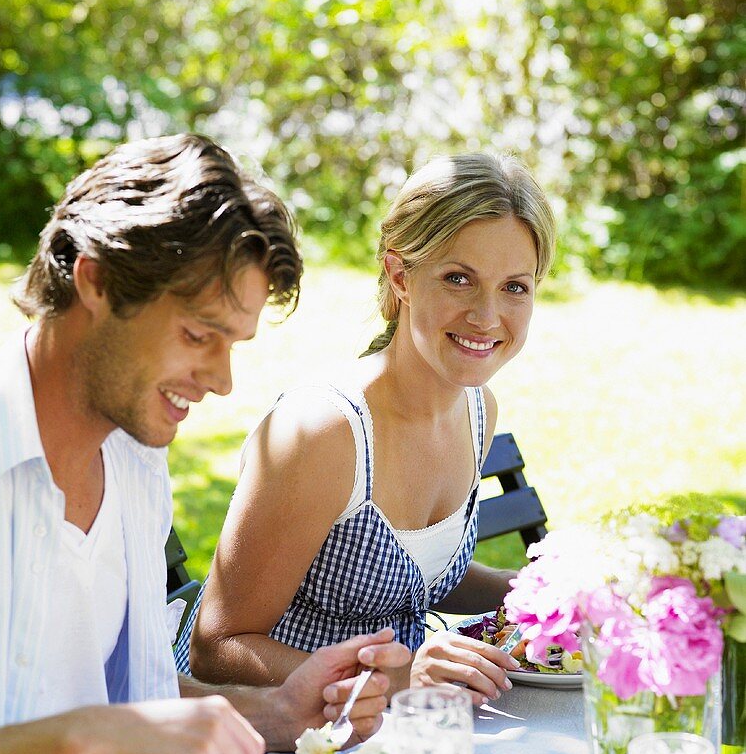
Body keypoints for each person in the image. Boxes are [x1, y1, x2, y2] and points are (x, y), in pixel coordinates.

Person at [0, 134, 408, 754]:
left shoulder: (136, 464)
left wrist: (280, 711)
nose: (221, 380)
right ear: (97, 280)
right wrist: (87, 740)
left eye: (232, 344)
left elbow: (131, 702)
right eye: (199, 334)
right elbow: (100, 727)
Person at [179, 151, 556, 703]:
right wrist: (390, 679)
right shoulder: (321, 433)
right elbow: (217, 649)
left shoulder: (477, 410)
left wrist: (533, 593)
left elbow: (411, 579)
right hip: (278, 748)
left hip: (401, 737)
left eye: (515, 287)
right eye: (458, 279)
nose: (486, 315)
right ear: (400, 274)